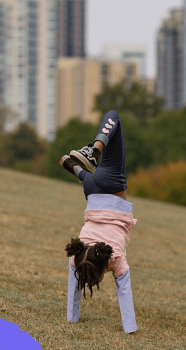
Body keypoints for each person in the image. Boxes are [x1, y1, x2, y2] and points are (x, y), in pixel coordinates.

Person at [59, 110, 138, 335]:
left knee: (114, 116)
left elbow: (124, 292)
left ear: (102, 271)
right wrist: (70, 316)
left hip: (112, 185)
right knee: (90, 177)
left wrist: (130, 328)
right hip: (91, 191)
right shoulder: (78, 254)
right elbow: (73, 285)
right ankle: (70, 165)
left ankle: (94, 150)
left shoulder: (115, 259)